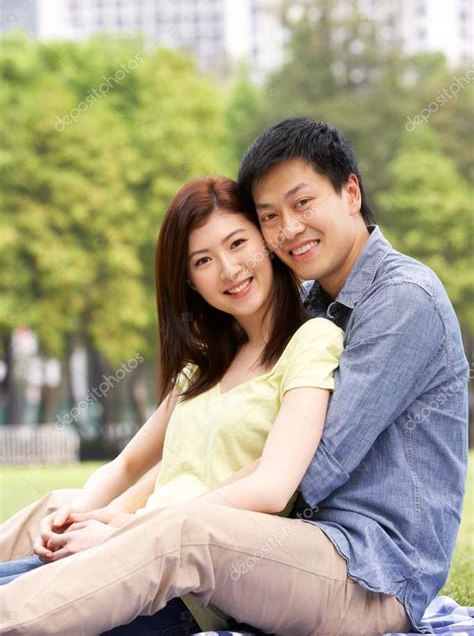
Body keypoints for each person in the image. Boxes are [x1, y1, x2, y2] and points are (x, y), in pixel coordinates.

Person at [1, 117, 467, 636]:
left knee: (180, 531)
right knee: (64, 508)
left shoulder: (402, 300)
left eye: (302, 203)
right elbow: (198, 452)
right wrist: (117, 511)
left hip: (369, 573)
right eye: (270, 215)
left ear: (351, 191)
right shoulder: (309, 307)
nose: (289, 229)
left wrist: (132, 527)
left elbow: (308, 466)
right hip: (284, 548)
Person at [0, 176, 348, 635]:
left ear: (265, 242)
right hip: (120, 556)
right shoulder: (198, 370)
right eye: (204, 260)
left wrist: (130, 533)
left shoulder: (311, 341)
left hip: (182, 591)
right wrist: (77, 517)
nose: (229, 270)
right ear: (189, 280)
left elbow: (273, 486)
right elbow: (126, 465)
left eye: (238, 243)